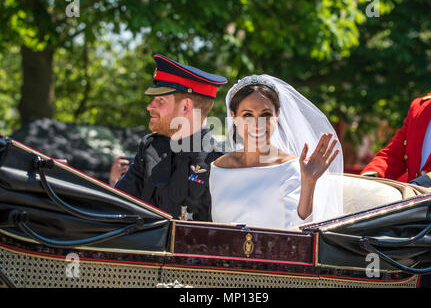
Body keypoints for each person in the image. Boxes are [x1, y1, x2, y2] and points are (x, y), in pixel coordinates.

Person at [209, 75, 344, 229]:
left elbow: (300, 230)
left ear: (277, 114)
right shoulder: (219, 167)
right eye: (247, 115)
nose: (257, 124)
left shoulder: (294, 167)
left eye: (265, 115)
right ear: (234, 117)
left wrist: (309, 182)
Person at [114, 54, 227, 221]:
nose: (149, 107)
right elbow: (117, 207)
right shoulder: (150, 149)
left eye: (160, 100)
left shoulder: (219, 162)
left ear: (186, 106)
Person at [361, 35, 431, 188]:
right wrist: (370, 178)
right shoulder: (421, 106)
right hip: (417, 206)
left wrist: (427, 183)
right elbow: (395, 153)